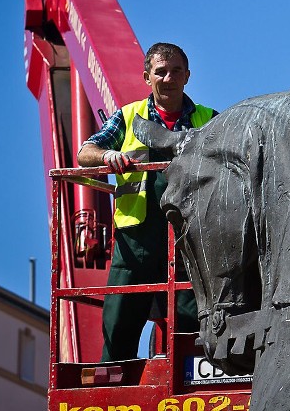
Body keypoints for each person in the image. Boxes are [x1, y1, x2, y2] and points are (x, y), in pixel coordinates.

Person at [78, 42, 217, 362]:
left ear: (188, 76)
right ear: (147, 77)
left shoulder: (208, 119)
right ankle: (113, 380)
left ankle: (194, 378)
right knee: (120, 318)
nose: (169, 78)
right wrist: (107, 155)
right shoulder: (129, 117)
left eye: (176, 71)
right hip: (135, 240)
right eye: (161, 72)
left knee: (193, 318)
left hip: (189, 239)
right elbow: (86, 153)